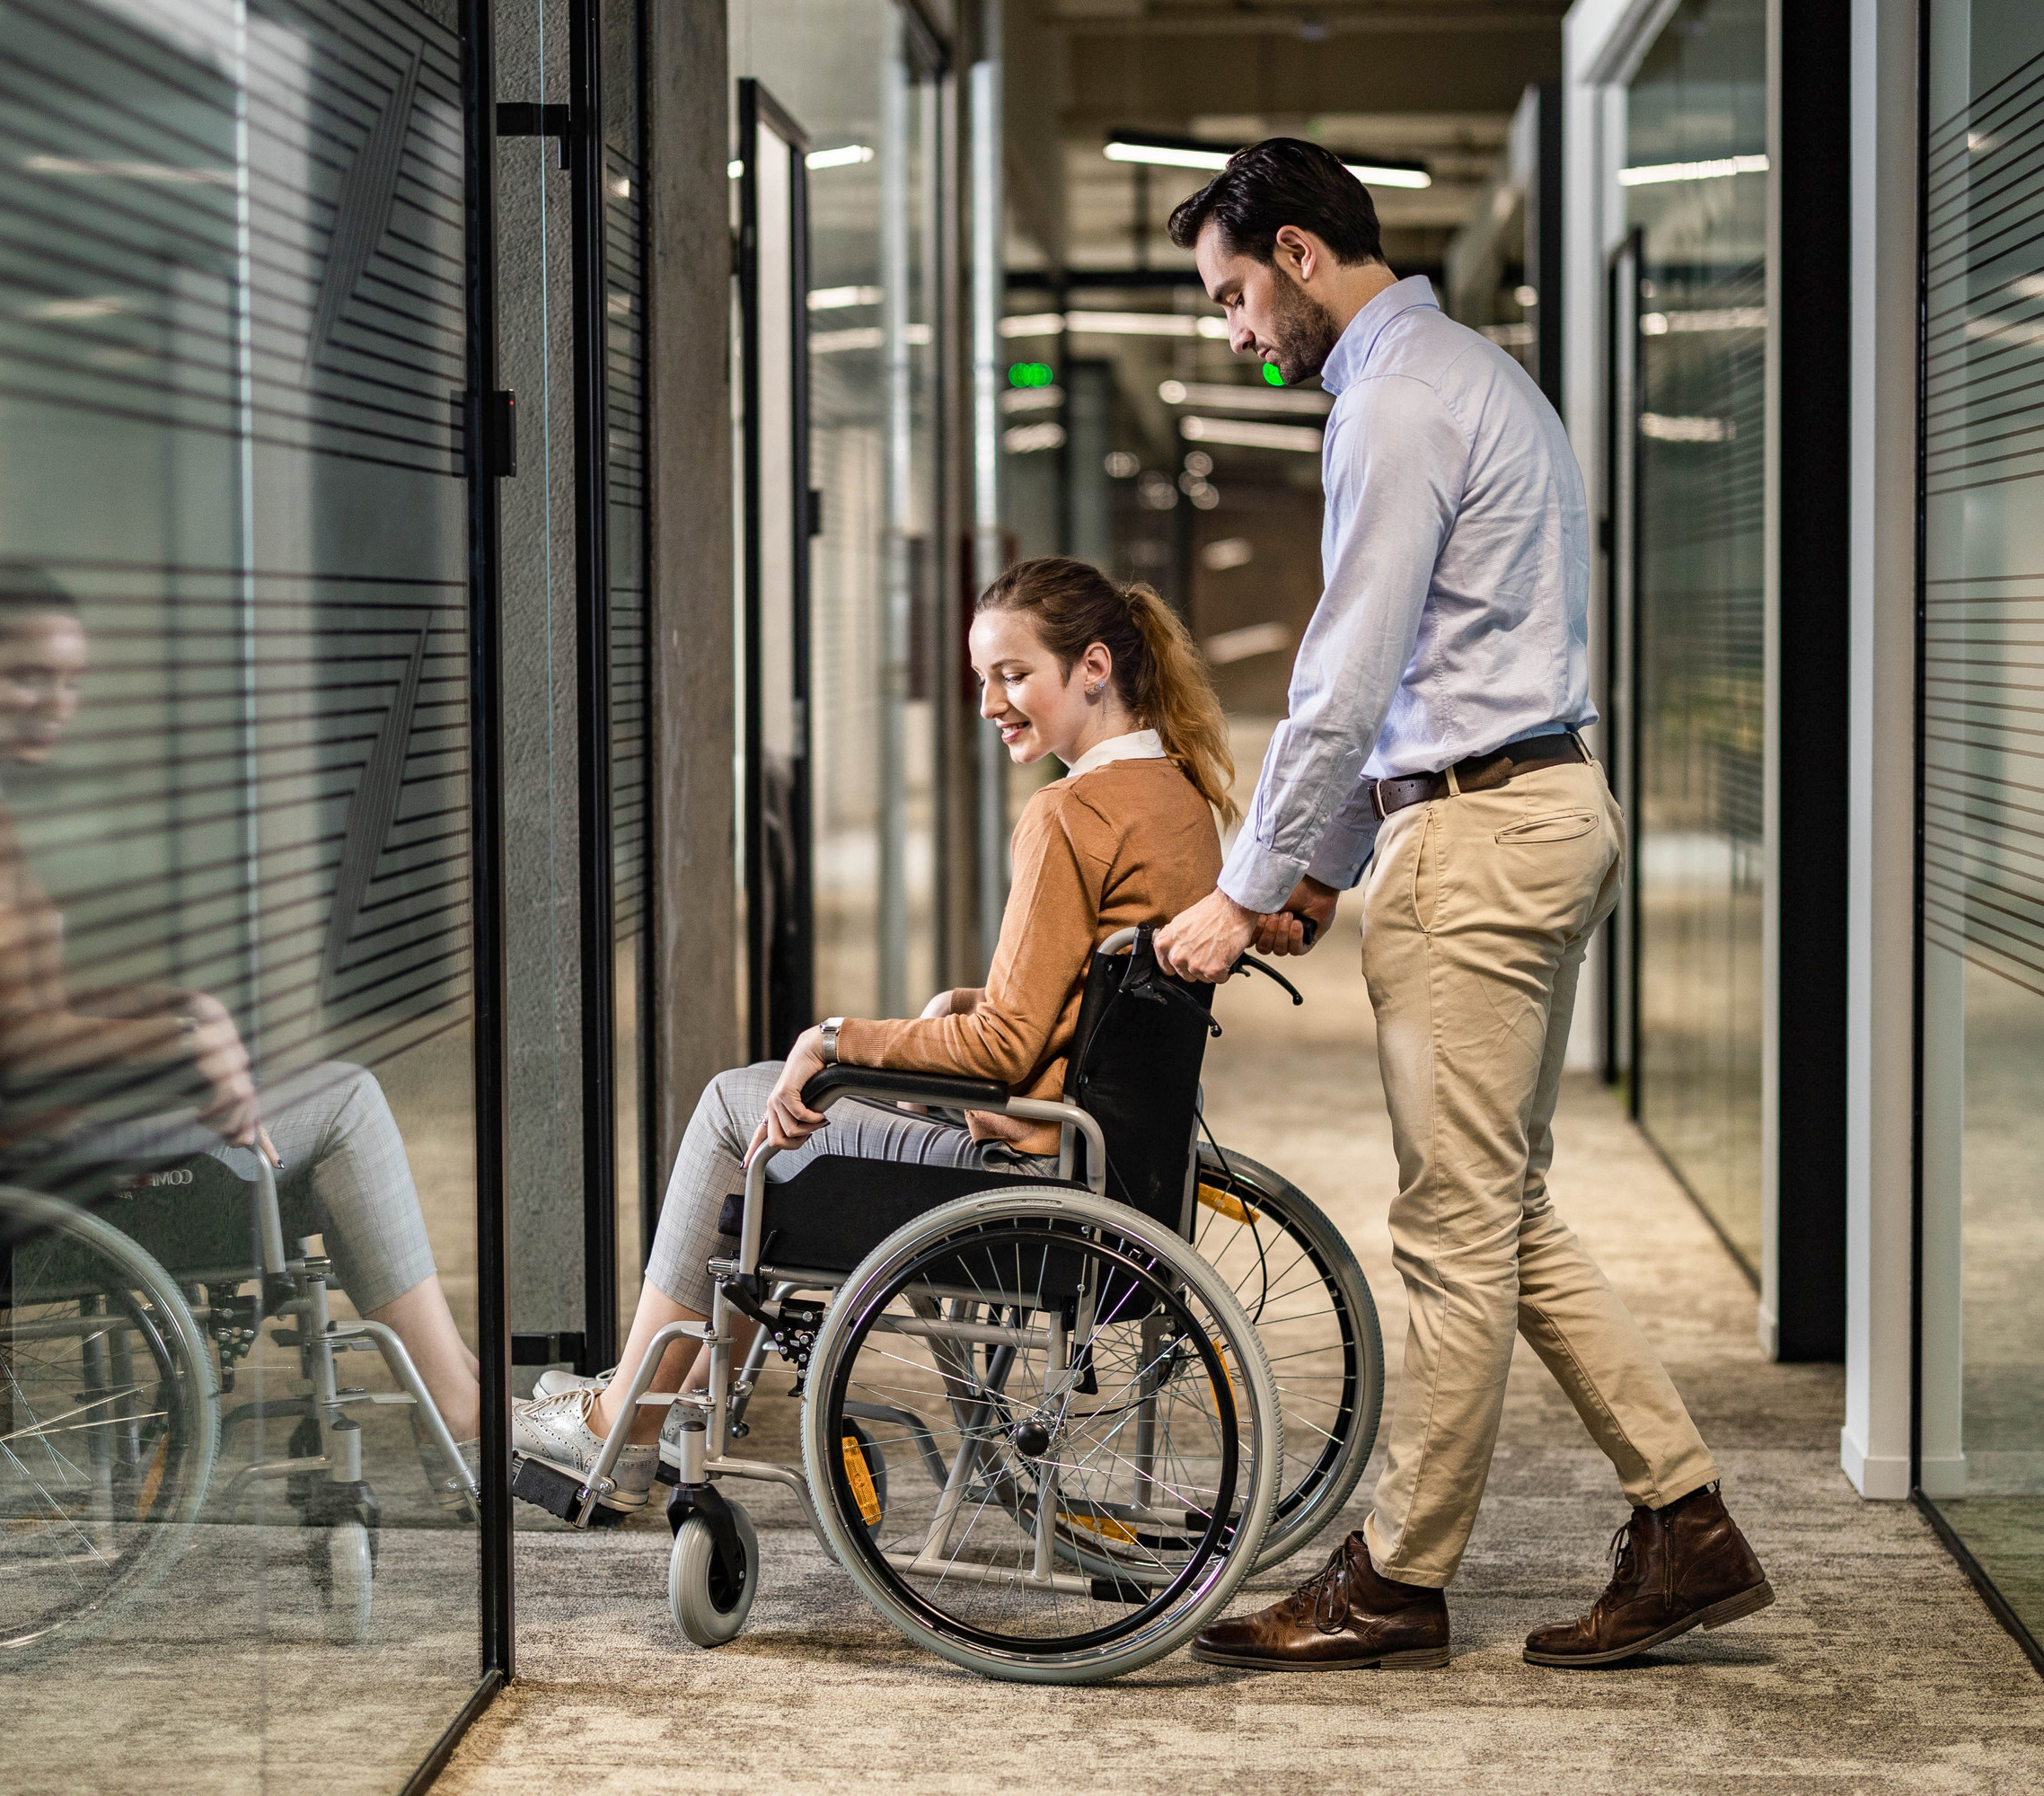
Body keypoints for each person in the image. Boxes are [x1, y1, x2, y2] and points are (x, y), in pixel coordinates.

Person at [1152, 141, 1771, 1672]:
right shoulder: (1464, 372)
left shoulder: (1397, 400)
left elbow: (1353, 674)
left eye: (1235, 295)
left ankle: (1396, 1579)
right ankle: (1687, 1525)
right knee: (1503, 1207)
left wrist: (1240, 892)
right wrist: (1324, 866)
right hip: (1530, 807)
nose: (1233, 330)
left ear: (1301, 253)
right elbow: (1448, 670)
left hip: (1485, 848)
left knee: (1448, 1227)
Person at [506, 557, 1235, 1514]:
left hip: (1026, 1186)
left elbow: (1007, 1051)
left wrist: (837, 1037)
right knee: (793, 1092)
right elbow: (1093, 1000)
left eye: (1013, 674)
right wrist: (962, 1007)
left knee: (739, 1103)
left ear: (1093, 666)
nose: (989, 703)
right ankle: (643, 1395)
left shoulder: (1066, 815)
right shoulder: (1179, 798)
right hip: (1114, 1168)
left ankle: (623, 1421)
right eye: (983, 679)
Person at [0, 565, 482, 1446]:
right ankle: (455, 1400)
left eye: (70, 680)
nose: (56, 702)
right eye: (28, 675)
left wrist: (183, 1008)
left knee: (317, 1117)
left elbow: (17, 996)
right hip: (32, 1176)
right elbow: (19, 1046)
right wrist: (184, 1052)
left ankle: (451, 1380)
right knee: (344, 1103)